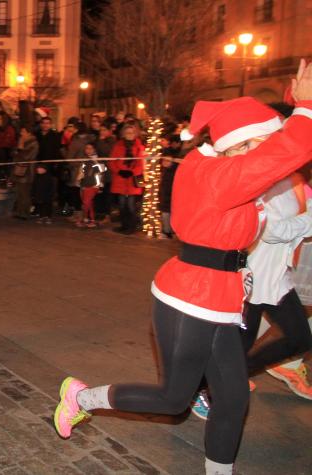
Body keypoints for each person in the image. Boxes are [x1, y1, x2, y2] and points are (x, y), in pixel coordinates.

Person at [53, 62, 312, 475]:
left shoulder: (214, 166)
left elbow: (280, 156)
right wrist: (306, 109)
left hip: (218, 296)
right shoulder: (221, 175)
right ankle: (80, 398)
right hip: (190, 299)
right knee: (174, 401)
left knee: (232, 400)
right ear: (239, 145)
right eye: (263, 140)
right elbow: (290, 151)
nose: (270, 149)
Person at [192, 169, 312, 418]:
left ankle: (227, 380)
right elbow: (272, 231)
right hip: (252, 276)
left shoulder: (293, 180)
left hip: (276, 277)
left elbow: (299, 227)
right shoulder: (264, 177)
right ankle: (201, 390)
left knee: (299, 336)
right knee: (236, 346)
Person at [108, 125, 145, 234]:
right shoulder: (117, 146)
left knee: (131, 205)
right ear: (124, 134)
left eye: (131, 132)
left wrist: (132, 172)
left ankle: (131, 227)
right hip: (120, 179)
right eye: (127, 132)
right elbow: (111, 161)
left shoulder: (139, 147)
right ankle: (124, 225)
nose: (129, 135)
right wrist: (119, 171)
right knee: (122, 205)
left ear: (135, 134)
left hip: (132, 180)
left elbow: (141, 164)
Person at [11, 125, 39, 219]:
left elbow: (26, 156)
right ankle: (19, 211)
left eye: (23, 132)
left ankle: (25, 213)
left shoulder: (33, 143)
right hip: (19, 169)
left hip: (27, 171)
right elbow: (14, 154)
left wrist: (20, 149)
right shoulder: (22, 141)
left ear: (29, 133)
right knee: (19, 192)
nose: (21, 134)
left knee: (25, 193)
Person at [77, 143, 106, 228]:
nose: (88, 150)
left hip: (94, 185)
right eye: (87, 148)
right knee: (88, 203)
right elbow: (81, 172)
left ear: (94, 149)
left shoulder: (99, 160)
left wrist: (100, 185)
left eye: (91, 148)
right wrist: (79, 181)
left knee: (86, 202)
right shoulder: (84, 160)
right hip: (84, 184)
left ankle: (85, 219)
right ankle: (91, 220)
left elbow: (102, 171)